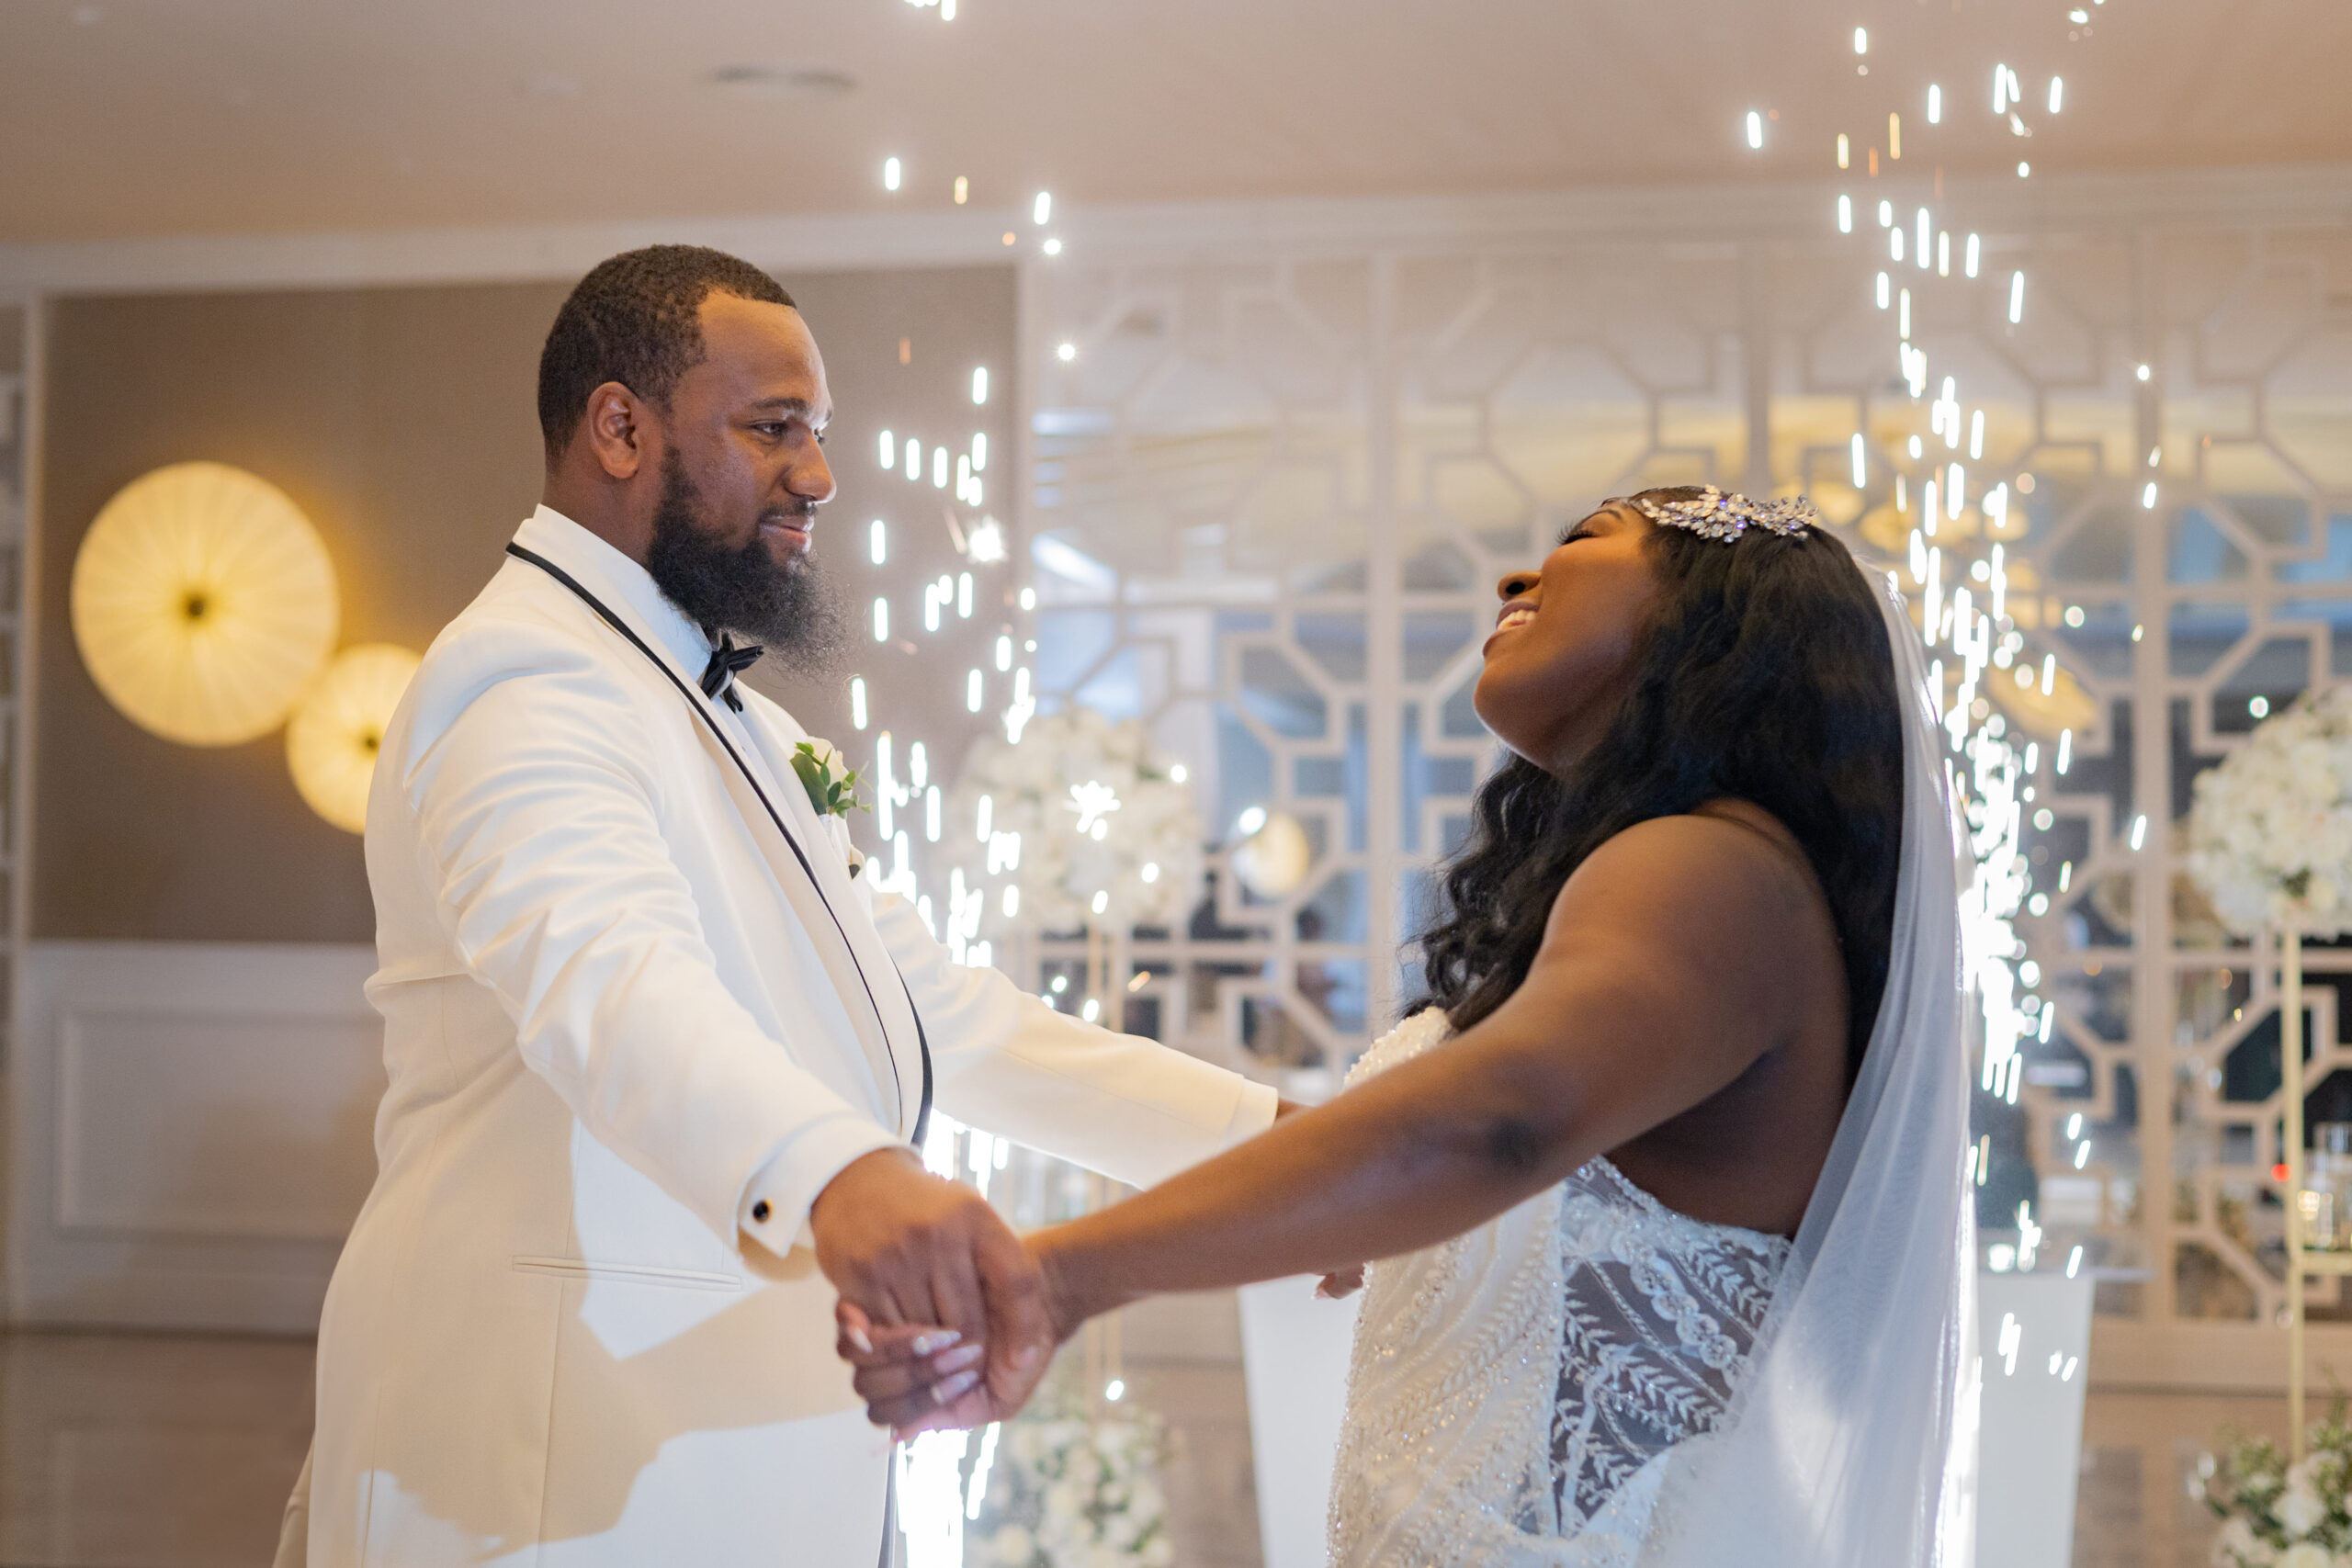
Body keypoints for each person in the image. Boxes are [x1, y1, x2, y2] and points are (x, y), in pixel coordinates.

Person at [276, 244, 1287, 1567]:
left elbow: (939, 1013)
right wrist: (839, 1175)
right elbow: (610, 982)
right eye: (773, 428)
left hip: (734, 1448)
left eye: (819, 432)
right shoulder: (525, 677)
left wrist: (1271, 1150)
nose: (817, 475)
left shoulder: (739, 716)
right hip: (552, 1456)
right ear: (620, 429)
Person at [843, 489, 1979, 1566]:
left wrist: (1060, 1279)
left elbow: (1497, 1119)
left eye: (1587, 533)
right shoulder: (1703, 869)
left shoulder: (1707, 868)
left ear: (1711, 613)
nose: (1516, 575)